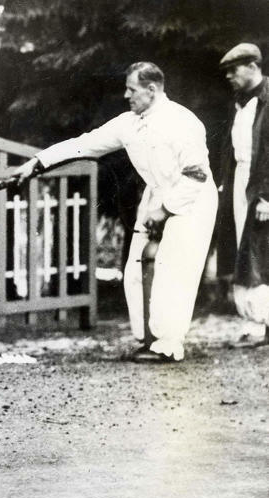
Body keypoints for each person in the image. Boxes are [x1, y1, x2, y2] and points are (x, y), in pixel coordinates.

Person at [15, 62, 217, 361]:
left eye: (132, 89)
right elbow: (86, 144)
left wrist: (166, 209)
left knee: (174, 269)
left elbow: (196, 175)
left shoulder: (183, 122)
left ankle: (168, 345)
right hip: (157, 194)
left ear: (152, 90)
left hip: (192, 198)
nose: (126, 95)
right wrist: (38, 162)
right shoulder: (127, 123)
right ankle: (148, 339)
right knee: (135, 268)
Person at [217, 43, 269, 346]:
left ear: (252, 66)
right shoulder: (240, 102)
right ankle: (259, 323)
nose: (229, 75)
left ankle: (266, 326)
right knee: (245, 249)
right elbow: (234, 147)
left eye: (234, 69)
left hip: (261, 187)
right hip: (241, 183)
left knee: (261, 251)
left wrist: (267, 196)